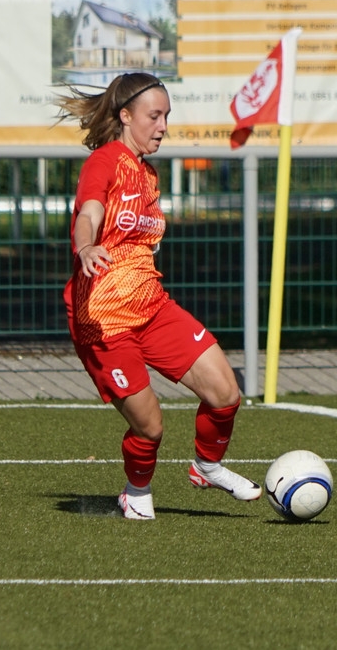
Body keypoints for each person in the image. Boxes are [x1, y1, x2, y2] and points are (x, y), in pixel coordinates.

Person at [56, 72, 261, 521]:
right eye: (155, 116)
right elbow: (89, 212)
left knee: (225, 392)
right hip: (103, 319)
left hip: (151, 307)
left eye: (167, 116)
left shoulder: (147, 174)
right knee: (149, 427)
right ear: (126, 116)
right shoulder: (105, 162)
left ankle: (207, 466)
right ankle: (136, 492)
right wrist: (85, 246)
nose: (163, 126)